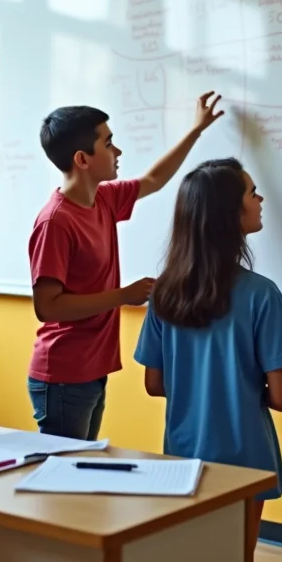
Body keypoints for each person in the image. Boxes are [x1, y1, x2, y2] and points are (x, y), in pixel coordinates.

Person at [27, 92, 224, 440]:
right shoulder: (55, 221)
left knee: (79, 473)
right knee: (63, 481)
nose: (117, 152)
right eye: (108, 143)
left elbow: (154, 180)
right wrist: (122, 295)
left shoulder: (103, 198)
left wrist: (196, 130)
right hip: (63, 375)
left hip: (90, 369)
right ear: (82, 159)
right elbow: (47, 306)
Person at [133, 157, 282, 557]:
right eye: (251, 191)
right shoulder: (262, 294)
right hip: (245, 455)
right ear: (230, 212)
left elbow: (154, 384)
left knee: (194, 560)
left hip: (183, 452)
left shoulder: (164, 295)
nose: (260, 198)